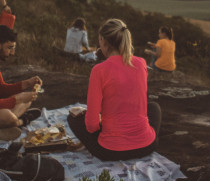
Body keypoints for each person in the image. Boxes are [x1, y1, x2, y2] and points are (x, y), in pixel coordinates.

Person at [68, 18, 162, 161]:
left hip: (110, 151)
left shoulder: (99, 70)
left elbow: (92, 126)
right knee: (154, 107)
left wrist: (98, 120)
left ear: (103, 41)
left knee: (73, 118)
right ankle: (141, 135)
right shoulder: (141, 63)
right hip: (146, 146)